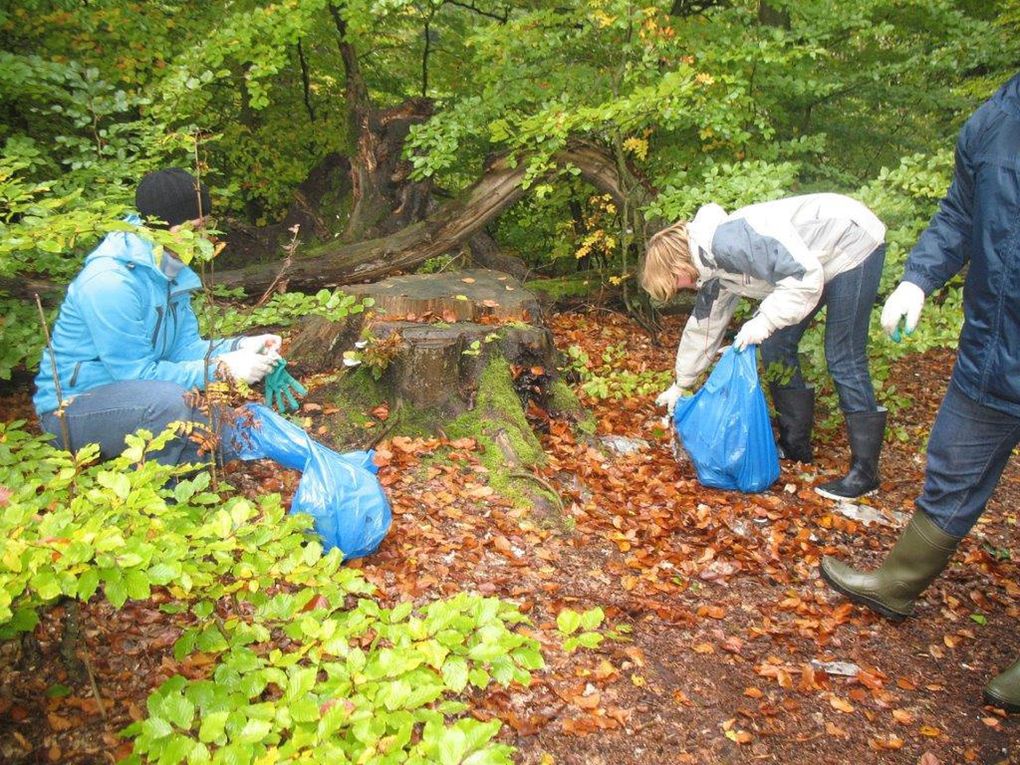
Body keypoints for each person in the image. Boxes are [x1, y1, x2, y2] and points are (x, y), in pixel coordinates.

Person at [821, 72, 1020, 713]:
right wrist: (918, 279)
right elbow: (962, 212)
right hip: (992, 345)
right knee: (951, 465)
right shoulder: (997, 119)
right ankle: (896, 584)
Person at [642, 193, 887, 500]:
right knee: (776, 346)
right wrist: (682, 383)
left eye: (673, 282)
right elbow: (705, 326)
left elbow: (802, 275)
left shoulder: (730, 243)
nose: (679, 289)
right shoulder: (711, 269)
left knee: (842, 354)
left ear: (677, 263)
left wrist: (764, 320)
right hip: (814, 263)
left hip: (851, 241)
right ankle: (796, 446)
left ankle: (866, 473)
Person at [33, 168, 281, 466]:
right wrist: (222, 369)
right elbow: (136, 375)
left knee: (227, 427)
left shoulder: (172, 273)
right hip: (70, 412)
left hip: (138, 399)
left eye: (207, 226)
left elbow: (183, 350)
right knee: (171, 403)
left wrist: (239, 347)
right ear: (162, 228)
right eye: (195, 227)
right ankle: (161, 495)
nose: (204, 238)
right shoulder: (110, 283)